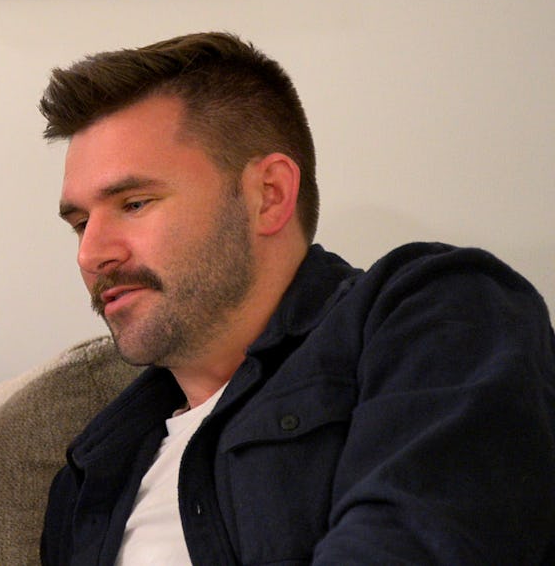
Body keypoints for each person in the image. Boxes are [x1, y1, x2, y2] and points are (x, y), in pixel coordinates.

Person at [39, 31, 555, 564]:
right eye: (80, 224)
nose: (91, 254)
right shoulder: (90, 475)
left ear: (269, 195)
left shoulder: (437, 311)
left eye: (134, 203)